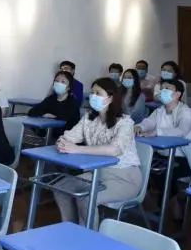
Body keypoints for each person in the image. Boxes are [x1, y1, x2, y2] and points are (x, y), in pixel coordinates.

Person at [53, 78, 142, 226]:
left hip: (124, 178)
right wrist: (62, 142)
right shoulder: (88, 118)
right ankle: (70, 228)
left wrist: (77, 149)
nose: (93, 96)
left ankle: (87, 236)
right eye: (92, 92)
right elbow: (70, 136)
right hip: (97, 174)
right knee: (61, 188)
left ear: (111, 98)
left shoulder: (125, 122)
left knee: (86, 198)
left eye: (98, 93)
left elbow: (114, 149)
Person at [135, 78, 191, 219]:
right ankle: (166, 202)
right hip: (164, 155)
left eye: (167, 89)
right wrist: (139, 127)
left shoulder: (186, 112)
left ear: (178, 94)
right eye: (162, 88)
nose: (163, 91)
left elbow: (181, 131)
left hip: (185, 158)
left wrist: (157, 132)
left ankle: (167, 205)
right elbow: (149, 122)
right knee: (143, 166)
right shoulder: (159, 111)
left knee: (165, 173)